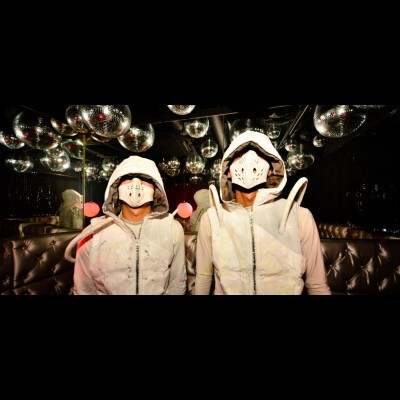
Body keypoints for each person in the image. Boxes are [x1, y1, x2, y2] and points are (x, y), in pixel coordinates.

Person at [194, 130, 331, 295]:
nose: (249, 158)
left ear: (271, 170)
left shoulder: (299, 216)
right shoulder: (211, 219)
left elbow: (317, 285)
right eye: (239, 155)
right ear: (227, 171)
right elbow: (203, 277)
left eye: (259, 154)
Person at [72, 155, 187, 295]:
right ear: (116, 188)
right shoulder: (93, 233)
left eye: (145, 179)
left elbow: (177, 283)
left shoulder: (172, 229)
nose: (136, 183)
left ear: (157, 191)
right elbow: (83, 289)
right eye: (128, 178)